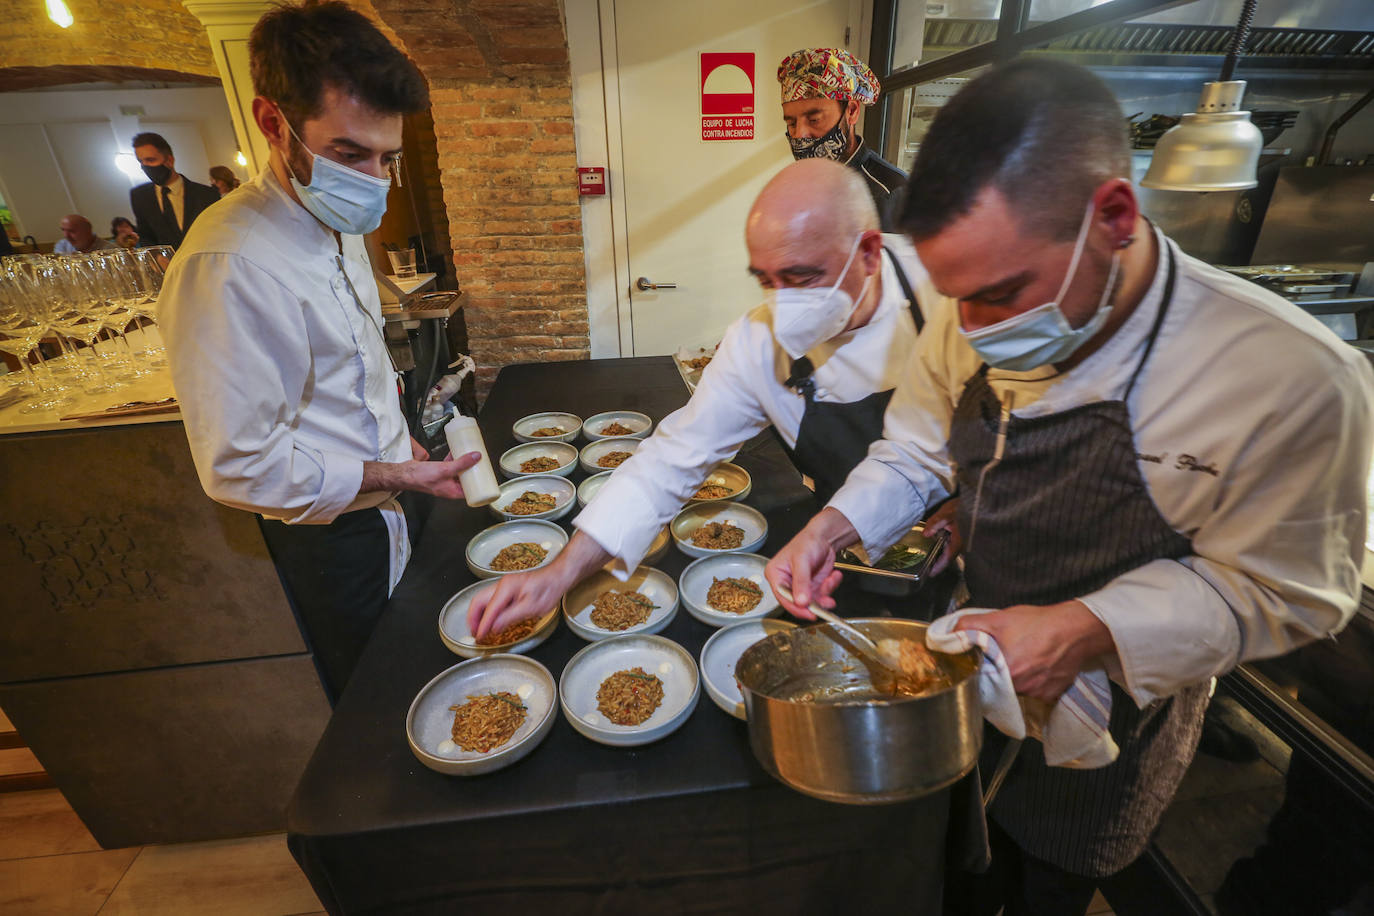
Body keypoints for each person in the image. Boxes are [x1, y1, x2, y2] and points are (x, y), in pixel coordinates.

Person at [764, 59, 1373, 915]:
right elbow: (915, 452)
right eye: (955, 299)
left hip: (1114, 721)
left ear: (1115, 217)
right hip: (974, 665)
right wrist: (833, 526)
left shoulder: (1292, 376)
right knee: (962, 867)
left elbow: (1294, 594)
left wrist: (1087, 628)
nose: (973, 328)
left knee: (1051, 884)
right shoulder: (975, 296)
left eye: (1003, 294)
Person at [468, 158, 939, 640]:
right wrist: (559, 573)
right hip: (840, 541)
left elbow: (950, 441)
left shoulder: (948, 289)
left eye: (800, 279)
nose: (783, 304)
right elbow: (671, 460)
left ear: (868, 252)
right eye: (765, 280)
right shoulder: (758, 341)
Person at [158, 0, 479, 700]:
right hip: (338, 541)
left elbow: (347, 369)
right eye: (348, 154)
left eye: (387, 158)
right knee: (381, 706)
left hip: (394, 493)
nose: (372, 180)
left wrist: (400, 449)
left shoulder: (333, 218)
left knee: (439, 680)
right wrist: (384, 472)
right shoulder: (230, 264)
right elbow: (238, 465)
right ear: (274, 123)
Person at [777, 48, 906, 230]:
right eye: (791, 123)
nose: (799, 134)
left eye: (814, 120)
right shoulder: (801, 184)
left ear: (851, 111)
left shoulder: (892, 194)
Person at [129, 132, 221, 249]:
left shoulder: (206, 195)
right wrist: (157, 257)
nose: (145, 166)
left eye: (150, 160)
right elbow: (146, 235)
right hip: (167, 266)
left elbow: (218, 234)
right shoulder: (139, 196)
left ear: (169, 161)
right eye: (141, 161)